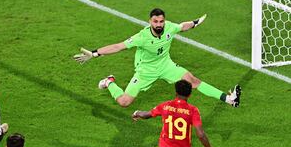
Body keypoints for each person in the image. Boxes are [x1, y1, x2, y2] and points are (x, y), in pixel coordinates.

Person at [73, 8, 241, 108]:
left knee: (193, 80)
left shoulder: (169, 27)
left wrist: (195, 23)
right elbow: (118, 46)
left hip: (165, 65)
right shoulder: (142, 36)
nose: (159, 24)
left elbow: (183, 26)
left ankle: (229, 99)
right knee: (124, 102)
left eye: (161, 21)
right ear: (150, 22)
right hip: (145, 71)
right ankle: (109, 82)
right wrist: (95, 53)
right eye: (156, 21)